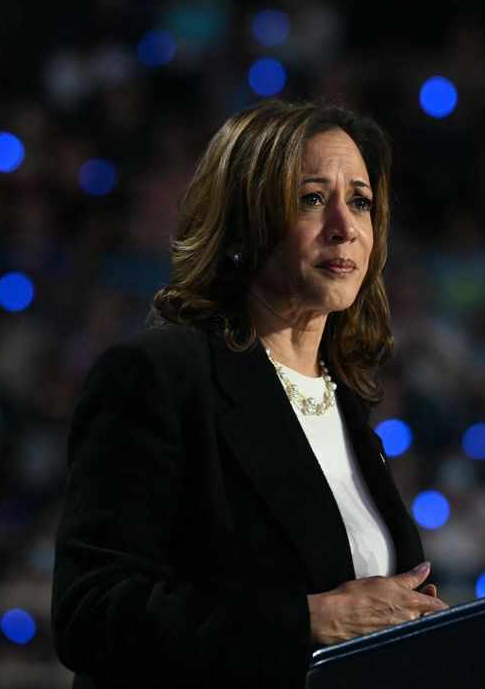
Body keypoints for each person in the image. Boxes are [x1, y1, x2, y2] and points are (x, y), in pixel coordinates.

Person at [52, 99, 448, 688]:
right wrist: (310, 619)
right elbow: (93, 612)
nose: (345, 226)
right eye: (313, 199)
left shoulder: (348, 404)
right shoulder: (161, 374)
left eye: (361, 202)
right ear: (244, 223)